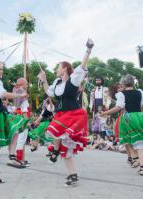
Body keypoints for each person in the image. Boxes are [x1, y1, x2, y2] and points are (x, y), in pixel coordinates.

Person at [39, 38, 93, 186]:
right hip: (61, 114)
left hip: (73, 114)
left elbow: (82, 65)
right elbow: (49, 92)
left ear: (65, 69)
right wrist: (44, 80)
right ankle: (72, 175)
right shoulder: (56, 83)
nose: (56, 68)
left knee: (55, 130)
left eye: (58, 66)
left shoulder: (74, 80)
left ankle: (55, 153)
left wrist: (88, 50)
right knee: (66, 150)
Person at [100, 74, 143, 176]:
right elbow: (140, 104)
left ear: (123, 84)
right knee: (140, 144)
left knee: (128, 141)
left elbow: (118, 107)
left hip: (128, 119)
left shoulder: (121, 94)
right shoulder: (140, 92)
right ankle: (141, 167)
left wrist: (105, 113)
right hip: (140, 117)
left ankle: (134, 159)